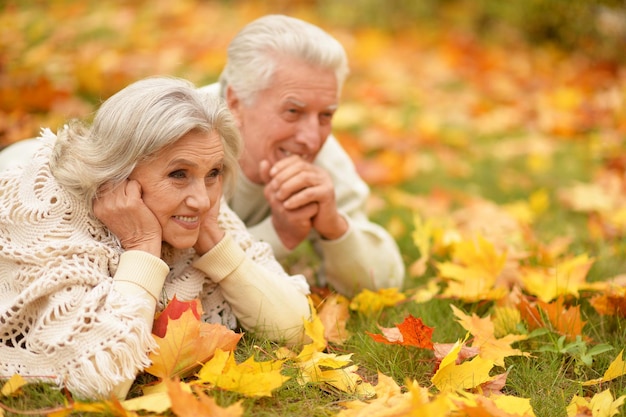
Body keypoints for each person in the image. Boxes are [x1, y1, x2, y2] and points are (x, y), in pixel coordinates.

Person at [0, 76, 311, 400]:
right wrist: (143, 248)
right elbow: (101, 382)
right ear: (119, 174)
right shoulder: (45, 214)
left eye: (214, 173)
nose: (202, 200)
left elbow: (297, 329)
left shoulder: (194, 207)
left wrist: (218, 247)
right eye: (179, 174)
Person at [201, 14, 405, 297]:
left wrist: (334, 226)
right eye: (293, 112)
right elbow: (181, 276)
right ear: (236, 102)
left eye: (326, 115)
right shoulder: (182, 141)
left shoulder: (321, 155)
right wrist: (279, 234)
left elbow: (384, 282)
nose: (311, 139)